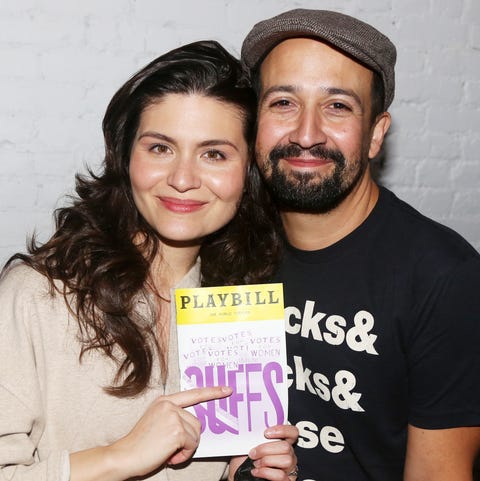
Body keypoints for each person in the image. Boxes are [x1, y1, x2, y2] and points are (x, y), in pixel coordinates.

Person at [0, 40, 298, 481]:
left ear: (248, 173)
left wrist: (252, 473)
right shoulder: (36, 294)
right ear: (125, 156)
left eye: (214, 154)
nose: (182, 179)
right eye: (160, 148)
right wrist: (119, 457)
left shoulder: (242, 309)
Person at [241, 8, 480, 481]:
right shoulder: (232, 245)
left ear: (375, 134)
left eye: (337, 106)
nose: (306, 134)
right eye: (283, 102)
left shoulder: (445, 277)